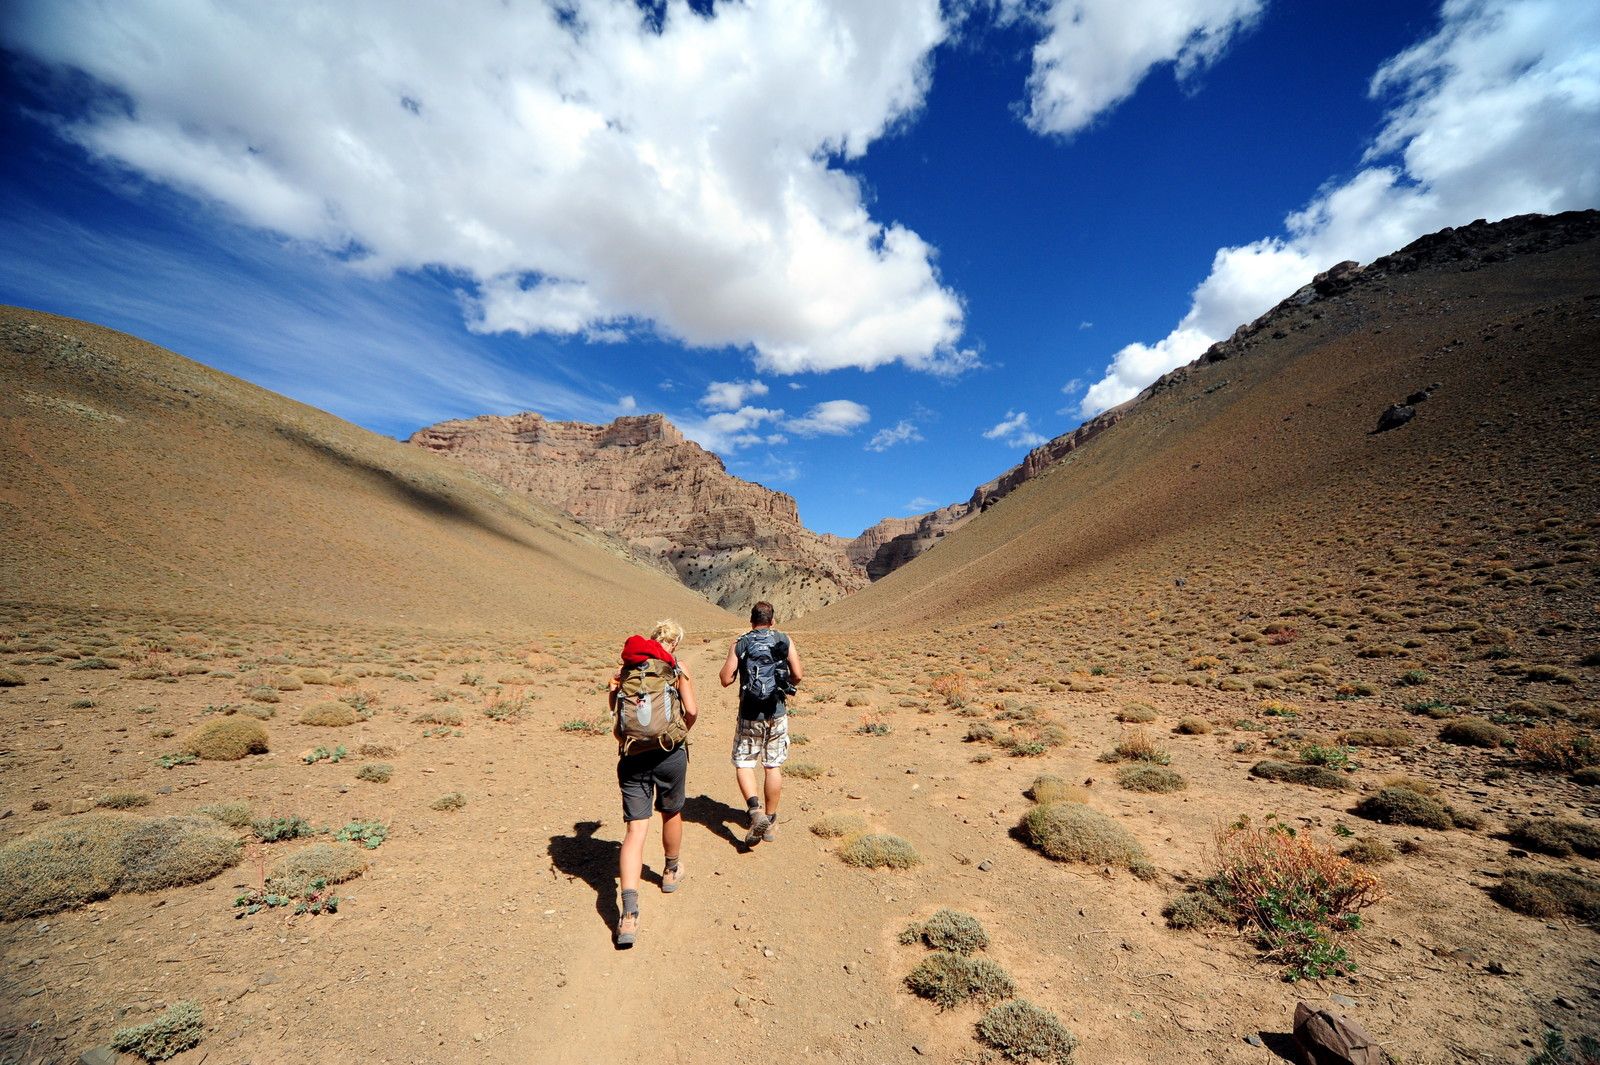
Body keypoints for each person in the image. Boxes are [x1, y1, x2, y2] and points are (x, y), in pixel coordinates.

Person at [608, 619, 698, 948]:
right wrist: (677, 733)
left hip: (632, 756)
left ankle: (628, 915)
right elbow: (691, 710)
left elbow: (615, 715)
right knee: (671, 812)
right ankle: (671, 871)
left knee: (635, 831)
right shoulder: (676, 667)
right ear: (675, 643)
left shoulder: (628, 669)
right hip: (669, 753)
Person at [719, 601, 803, 845]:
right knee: (772, 765)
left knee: (744, 762)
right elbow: (797, 675)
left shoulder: (741, 642)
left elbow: (725, 679)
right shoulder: (784, 640)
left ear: (751, 621)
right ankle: (770, 820)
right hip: (776, 712)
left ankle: (755, 811)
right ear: (772, 620)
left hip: (749, 713)